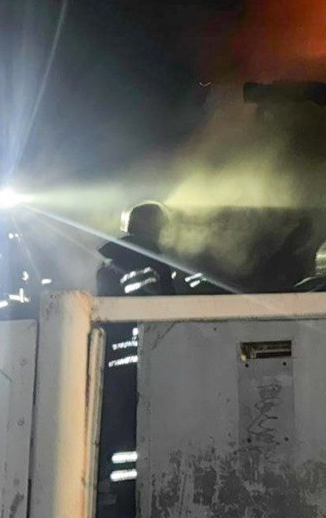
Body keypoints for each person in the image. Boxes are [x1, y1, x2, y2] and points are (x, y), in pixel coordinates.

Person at [93, 201, 181, 518]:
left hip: (114, 360)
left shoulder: (110, 261)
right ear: (151, 227)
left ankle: (113, 496)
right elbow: (164, 313)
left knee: (118, 433)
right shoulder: (150, 262)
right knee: (139, 436)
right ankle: (132, 500)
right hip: (143, 360)